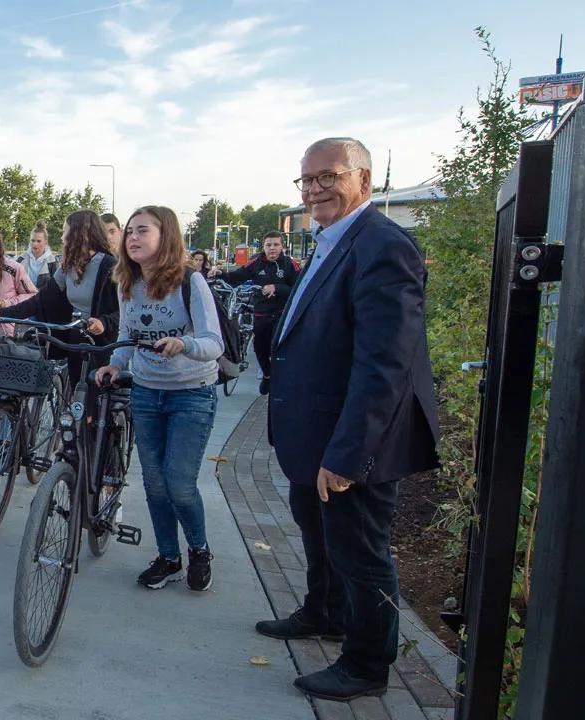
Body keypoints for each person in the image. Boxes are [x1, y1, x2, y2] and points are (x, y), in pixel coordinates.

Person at [257, 137, 439, 702]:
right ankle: (324, 613)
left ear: (363, 178)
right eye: (306, 180)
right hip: (318, 433)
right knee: (318, 529)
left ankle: (366, 665)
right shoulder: (334, 242)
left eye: (327, 177)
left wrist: (347, 455)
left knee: (361, 550)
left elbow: (386, 362)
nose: (314, 189)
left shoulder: (383, 244)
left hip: (352, 441)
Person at [95, 206, 223, 592]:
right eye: (129, 231)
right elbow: (128, 339)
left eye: (142, 231)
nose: (132, 238)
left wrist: (183, 344)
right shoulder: (126, 283)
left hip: (192, 395)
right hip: (148, 393)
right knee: (154, 484)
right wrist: (115, 364)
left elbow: (213, 343)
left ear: (165, 235)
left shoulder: (190, 282)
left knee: (179, 484)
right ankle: (169, 557)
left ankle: (198, 549)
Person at [0, 209, 119, 389]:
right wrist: (4, 313)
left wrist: (104, 322)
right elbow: (42, 300)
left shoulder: (110, 266)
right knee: (77, 398)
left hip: (102, 344)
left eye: (66, 232)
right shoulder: (69, 266)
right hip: (76, 340)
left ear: (80, 234)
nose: (63, 238)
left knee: (98, 402)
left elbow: (126, 310)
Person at [209, 231, 298, 394]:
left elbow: (298, 287)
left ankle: (283, 379)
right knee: (260, 347)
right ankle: (267, 375)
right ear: (263, 247)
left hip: (282, 313)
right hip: (261, 313)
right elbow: (237, 276)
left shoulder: (289, 265)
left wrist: (277, 288)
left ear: (282, 247)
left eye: (276, 245)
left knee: (278, 347)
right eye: (268, 245)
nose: (272, 249)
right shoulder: (256, 263)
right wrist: (220, 273)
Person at [15, 221, 58, 287]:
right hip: (23, 296)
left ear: (46, 242)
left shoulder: (53, 262)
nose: (35, 244)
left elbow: (56, 288)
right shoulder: (20, 259)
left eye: (39, 241)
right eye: (32, 240)